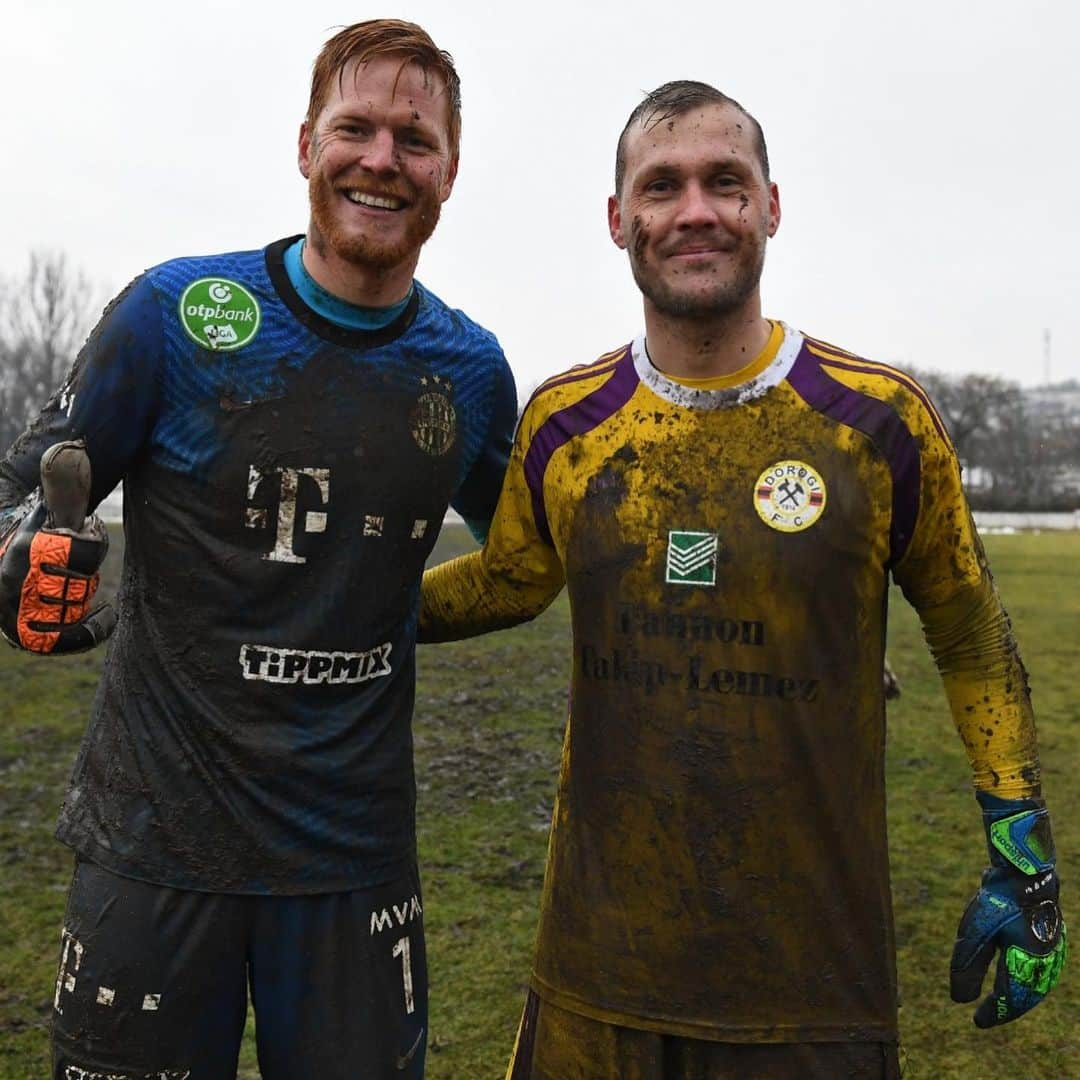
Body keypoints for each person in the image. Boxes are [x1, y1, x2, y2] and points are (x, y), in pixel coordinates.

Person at [420, 81, 1067, 1078]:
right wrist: (329, 598)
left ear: (770, 205)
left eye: (725, 182)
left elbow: (974, 635)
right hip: (596, 982)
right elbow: (508, 581)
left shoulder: (879, 423)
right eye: (661, 185)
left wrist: (1021, 850)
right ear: (617, 219)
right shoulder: (566, 423)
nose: (694, 211)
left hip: (813, 992)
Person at [0, 19, 516, 1079]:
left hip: (351, 862)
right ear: (304, 145)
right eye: (354, 129)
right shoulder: (178, 316)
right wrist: (19, 559)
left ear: (451, 170)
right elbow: (24, 486)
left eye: (414, 139)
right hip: (154, 844)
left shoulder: (467, 370)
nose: (382, 159)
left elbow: (543, 557)